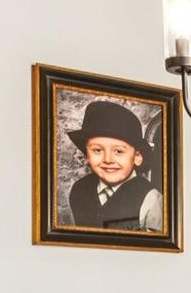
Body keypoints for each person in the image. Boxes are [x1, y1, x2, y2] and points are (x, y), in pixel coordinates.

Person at [65, 99, 163, 231]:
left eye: (118, 151)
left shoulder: (151, 199)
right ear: (87, 155)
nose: (108, 159)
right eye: (97, 150)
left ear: (137, 157)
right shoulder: (78, 190)